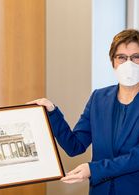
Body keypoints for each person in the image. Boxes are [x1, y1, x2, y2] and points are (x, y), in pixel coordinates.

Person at [29, 29, 139, 195]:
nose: (128, 64)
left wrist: (93, 170)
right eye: (121, 57)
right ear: (113, 62)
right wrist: (52, 112)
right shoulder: (98, 98)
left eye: (136, 57)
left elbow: (136, 157)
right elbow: (75, 146)